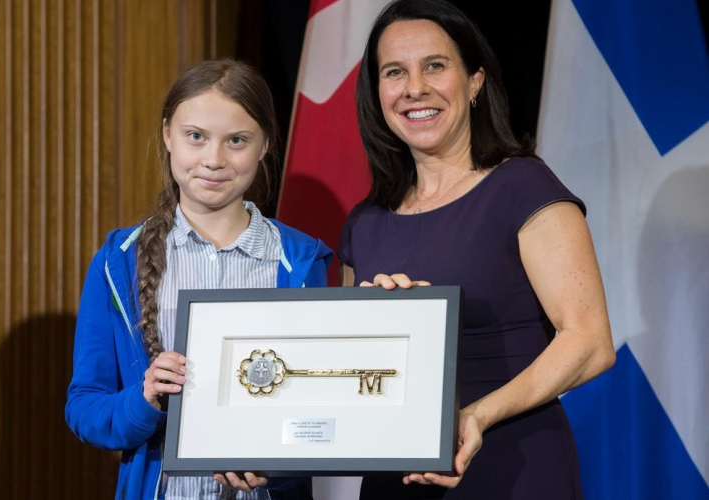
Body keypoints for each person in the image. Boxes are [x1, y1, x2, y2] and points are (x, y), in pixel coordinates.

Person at [338, 1, 616, 499]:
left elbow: (590, 342)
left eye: (436, 66)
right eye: (395, 72)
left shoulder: (522, 186)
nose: (414, 88)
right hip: (392, 480)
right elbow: (348, 371)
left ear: (474, 81)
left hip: (509, 465)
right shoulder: (365, 223)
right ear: (376, 92)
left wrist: (475, 417)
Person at [65, 59, 331, 500]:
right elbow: (85, 409)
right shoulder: (118, 262)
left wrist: (276, 468)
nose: (213, 159)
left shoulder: (301, 262)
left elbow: (320, 412)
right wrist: (145, 397)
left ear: (265, 145)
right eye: (196, 137)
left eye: (237, 141)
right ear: (168, 134)